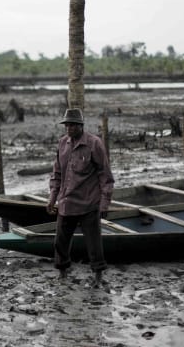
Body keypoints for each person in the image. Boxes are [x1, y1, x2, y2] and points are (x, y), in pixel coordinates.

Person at [47, 108, 114, 287]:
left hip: (88, 203)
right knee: (60, 242)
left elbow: (105, 175)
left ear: (81, 126)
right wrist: (52, 198)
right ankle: (62, 272)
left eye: (73, 125)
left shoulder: (94, 144)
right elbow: (56, 173)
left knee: (94, 244)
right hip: (66, 202)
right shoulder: (62, 144)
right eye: (67, 125)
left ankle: (98, 276)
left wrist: (105, 203)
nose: (69, 128)